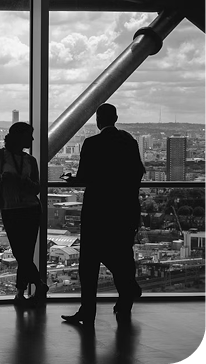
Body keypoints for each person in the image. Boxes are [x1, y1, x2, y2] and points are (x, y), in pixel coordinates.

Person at [61, 103, 145, 325]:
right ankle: (126, 295)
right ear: (116, 118)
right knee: (123, 254)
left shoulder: (92, 143)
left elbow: (85, 177)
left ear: (98, 120)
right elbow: (138, 172)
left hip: (98, 211)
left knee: (89, 262)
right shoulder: (129, 142)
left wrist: (71, 180)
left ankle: (88, 311)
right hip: (125, 209)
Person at [0, 122, 48, 306]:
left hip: (29, 208)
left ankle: (21, 292)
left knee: (23, 253)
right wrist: (0, 178)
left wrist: (23, 182)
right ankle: (37, 285)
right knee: (21, 253)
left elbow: (37, 188)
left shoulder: (30, 160)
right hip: (13, 209)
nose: (32, 139)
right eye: (29, 135)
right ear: (20, 137)